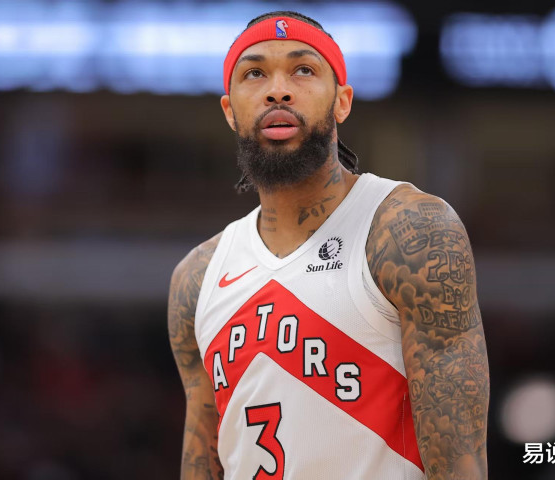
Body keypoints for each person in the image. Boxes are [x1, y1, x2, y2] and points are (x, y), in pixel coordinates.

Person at [168, 10, 489, 480]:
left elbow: (461, 463)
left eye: (303, 70)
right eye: (255, 74)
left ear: (342, 102)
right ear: (229, 111)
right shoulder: (197, 278)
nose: (278, 91)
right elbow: (201, 462)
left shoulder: (407, 231)